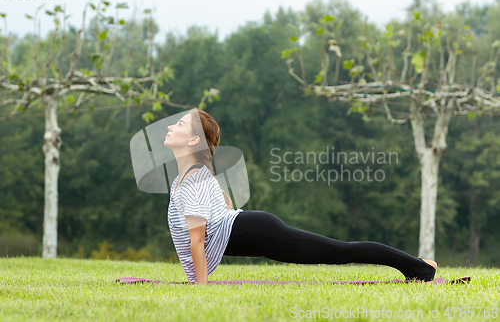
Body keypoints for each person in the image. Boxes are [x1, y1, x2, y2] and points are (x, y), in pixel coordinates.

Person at [163, 109, 437, 285]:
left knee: (338, 251)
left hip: (258, 231)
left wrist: (200, 288)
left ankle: (421, 269)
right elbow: (216, 213)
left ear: (193, 140)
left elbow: (197, 240)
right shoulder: (188, 177)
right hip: (250, 230)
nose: (170, 127)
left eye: (179, 124)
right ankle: (419, 265)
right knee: (337, 251)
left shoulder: (193, 180)